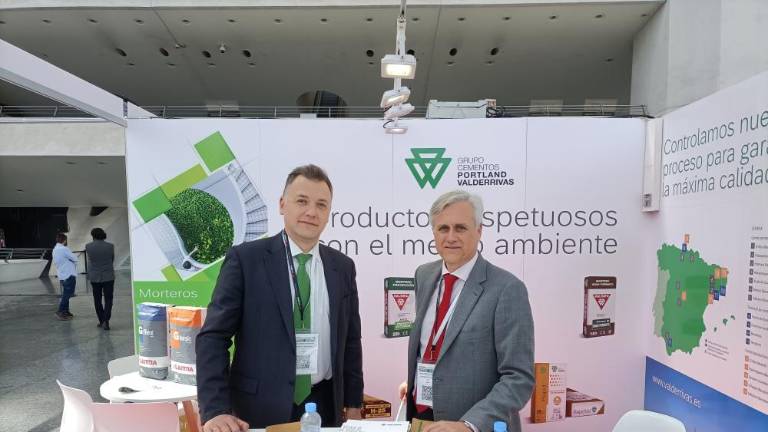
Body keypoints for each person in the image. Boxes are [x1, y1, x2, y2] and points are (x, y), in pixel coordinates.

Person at [197, 164, 364, 432]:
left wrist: (354, 403)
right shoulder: (246, 260)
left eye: (321, 205)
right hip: (258, 408)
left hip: (324, 404)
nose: (312, 212)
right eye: (302, 201)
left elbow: (351, 341)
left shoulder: (342, 267)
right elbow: (213, 338)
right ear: (282, 205)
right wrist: (215, 410)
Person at [399, 190, 534, 432]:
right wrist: (419, 382)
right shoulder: (424, 275)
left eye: (460, 228)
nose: (451, 237)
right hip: (421, 419)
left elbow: (518, 378)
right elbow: (434, 347)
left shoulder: (507, 289)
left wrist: (469, 425)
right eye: (443, 228)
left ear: (479, 230)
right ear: (434, 232)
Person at [85, 227, 115, 330]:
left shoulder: (88, 246)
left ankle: (102, 320)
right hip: (108, 276)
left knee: (97, 299)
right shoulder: (110, 246)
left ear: (93, 235)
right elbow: (112, 259)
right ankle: (106, 320)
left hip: (95, 276)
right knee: (108, 299)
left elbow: (91, 260)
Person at [52, 233, 78, 321]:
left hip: (62, 275)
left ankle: (65, 311)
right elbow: (75, 258)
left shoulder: (55, 249)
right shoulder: (64, 249)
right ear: (65, 240)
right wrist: (70, 260)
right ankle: (60, 311)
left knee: (66, 293)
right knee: (67, 294)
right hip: (69, 274)